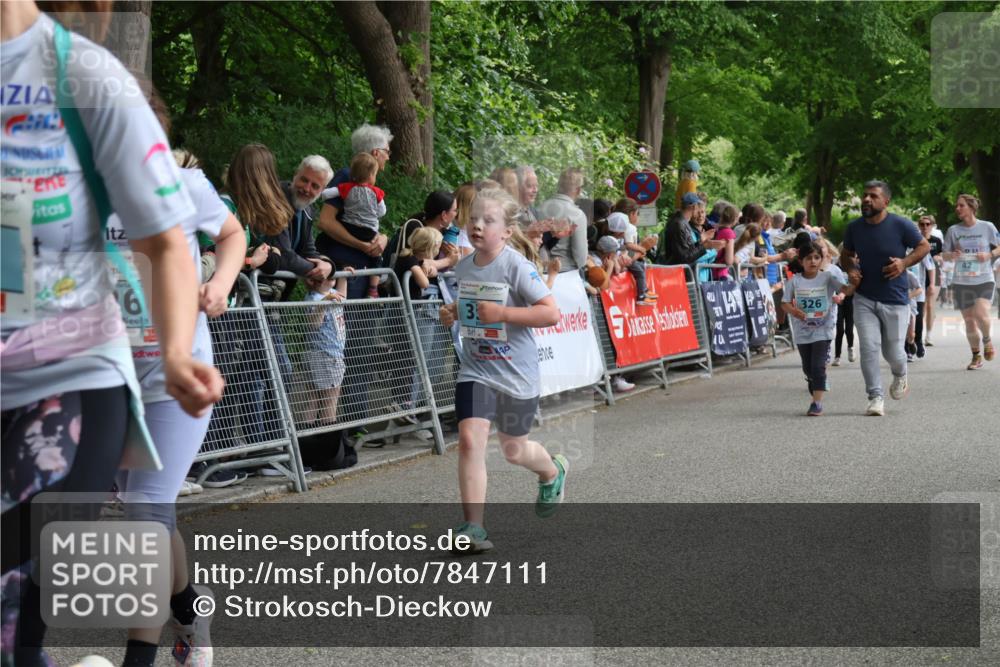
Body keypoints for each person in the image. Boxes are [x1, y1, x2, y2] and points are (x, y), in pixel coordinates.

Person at [1, 3, 223, 665]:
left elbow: (170, 241)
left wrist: (180, 347)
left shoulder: (86, 80)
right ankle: (186, 608)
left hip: (75, 375)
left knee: (140, 517)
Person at [438, 188, 566, 554]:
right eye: (473, 218)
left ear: (507, 231)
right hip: (476, 370)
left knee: (514, 450)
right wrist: (453, 312)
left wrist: (505, 314)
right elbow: (468, 310)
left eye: (488, 220)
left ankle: (552, 470)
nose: (477, 225)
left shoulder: (516, 266)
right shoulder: (463, 267)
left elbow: (551, 312)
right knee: (469, 441)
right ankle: (473, 527)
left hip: (516, 374)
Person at [841, 181, 930, 416]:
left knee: (893, 353)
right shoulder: (854, 228)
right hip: (864, 298)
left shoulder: (901, 225)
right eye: (865, 195)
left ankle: (900, 374)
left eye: (873, 196)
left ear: (886, 202)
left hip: (895, 298)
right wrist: (850, 269)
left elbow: (923, 246)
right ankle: (875, 397)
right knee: (869, 347)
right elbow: (846, 254)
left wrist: (904, 263)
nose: (867, 200)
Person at [315, 123, 393, 296]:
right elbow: (325, 221)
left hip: (358, 268)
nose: (388, 157)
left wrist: (383, 238)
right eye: (387, 151)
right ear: (375, 153)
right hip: (345, 267)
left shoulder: (366, 183)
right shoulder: (347, 177)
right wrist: (363, 245)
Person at [781, 241, 854, 416]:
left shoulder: (827, 278)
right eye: (808, 258)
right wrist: (794, 311)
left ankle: (816, 403)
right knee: (808, 368)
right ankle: (813, 379)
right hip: (803, 330)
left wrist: (855, 282)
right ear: (801, 261)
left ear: (822, 260)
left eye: (816, 258)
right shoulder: (794, 281)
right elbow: (784, 303)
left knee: (818, 366)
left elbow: (846, 290)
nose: (813, 261)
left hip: (824, 328)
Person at [942, 194, 1000, 369]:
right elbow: (944, 254)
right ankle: (976, 356)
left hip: (984, 278)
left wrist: (989, 254)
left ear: (971, 207)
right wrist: (952, 255)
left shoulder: (987, 227)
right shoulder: (954, 230)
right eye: (956, 206)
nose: (957, 209)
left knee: (981, 314)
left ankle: (987, 340)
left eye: (961, 206)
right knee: (969, 320)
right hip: (961, 280)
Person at [299, 269, 350, 428]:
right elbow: (313, 324)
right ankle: (327, 439)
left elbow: (342, 296)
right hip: (326, 355)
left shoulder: (332, 292)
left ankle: (309, 438)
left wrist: (344, 276)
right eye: (329, 274)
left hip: (327, 354)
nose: (332, 274)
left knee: (316, 398)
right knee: (329, 400)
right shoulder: (314, 298)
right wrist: (324, 303)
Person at [334, 152, 387, 297]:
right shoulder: (376, 192)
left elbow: (328, 193)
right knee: (377, 256)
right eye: (387, 152)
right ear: (371, 176)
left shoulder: (346, 187)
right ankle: (373, 287)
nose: (388, 157)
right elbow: (382, 211)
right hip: (367, 232)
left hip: (348, 226)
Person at [539, 167, 588, 271]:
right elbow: (581, 257)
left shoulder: (540, 207)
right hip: (566, 272)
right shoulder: (577, 215)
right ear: (578, 190)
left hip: (540, 270)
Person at [919, 215, 943, 346]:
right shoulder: (916, 241)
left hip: (935, 275)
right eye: (922, 224)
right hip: (920, 276)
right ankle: (919, 333)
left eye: (927, 224)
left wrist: (938, 258)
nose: (925, 227)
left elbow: (941, 256)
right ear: (919, 226)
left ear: (932, 226)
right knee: (921, 306)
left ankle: (928, 336)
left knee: (930, 305)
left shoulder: (937, 241)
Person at [832, 247, 856, 367]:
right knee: (840, 329)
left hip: (850, 300)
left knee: (849, 328)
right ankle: (837, 356)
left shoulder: (853, 266)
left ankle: (851, 347)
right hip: (838, 300)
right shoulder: (835, 267)